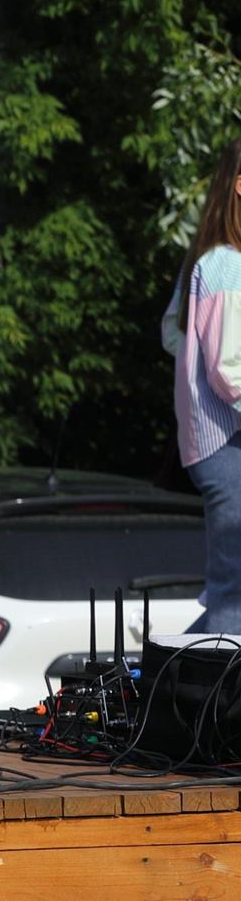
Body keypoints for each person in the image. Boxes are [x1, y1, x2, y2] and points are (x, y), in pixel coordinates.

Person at [166, 135, 241, 634]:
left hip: (216, 442)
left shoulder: (209, 259)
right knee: (234, 589)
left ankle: (161, 674)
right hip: (226, 443)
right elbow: (229, 368)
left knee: (230, 586)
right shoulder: (227, 264)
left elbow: (173, 333)